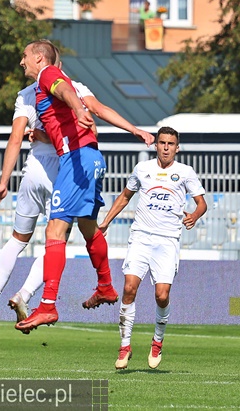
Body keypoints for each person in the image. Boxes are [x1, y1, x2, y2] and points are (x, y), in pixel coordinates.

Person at [14, 40, 155, 334]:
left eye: (25, 56)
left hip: (75, 159)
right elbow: (100, 109)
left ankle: (48, 305)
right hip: (91, 158)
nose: (22, 62)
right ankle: (105, 285)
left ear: (39, 58)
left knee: (54, 231)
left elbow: (67, 95)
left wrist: (77, 109)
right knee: (88, 227)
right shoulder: (73, 84)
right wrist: (135, 130)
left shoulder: (48, 74)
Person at [0, 51, 96, 330]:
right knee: (56, 241)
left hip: (33, 170)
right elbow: (90, 124)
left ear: (43, 60)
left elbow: (15, 139)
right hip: (63, 170)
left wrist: (3, 182)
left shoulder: (26, 94)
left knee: (18, 239)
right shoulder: (77, 89)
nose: (22, 62)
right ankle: (24, 295)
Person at [98, 126, 207, 370]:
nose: (166, 147)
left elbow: (202, 203)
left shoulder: (185, 173)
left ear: (177, 148)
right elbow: (125, 196)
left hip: (167, 240)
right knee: (129, 288)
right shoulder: (142, 169)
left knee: (162, 295)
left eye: (171, 144)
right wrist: (106, 221)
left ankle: (157, 341)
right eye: (162, 143)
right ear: (156, 145)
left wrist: (195, 216)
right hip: (141, 236)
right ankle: (124, 346)